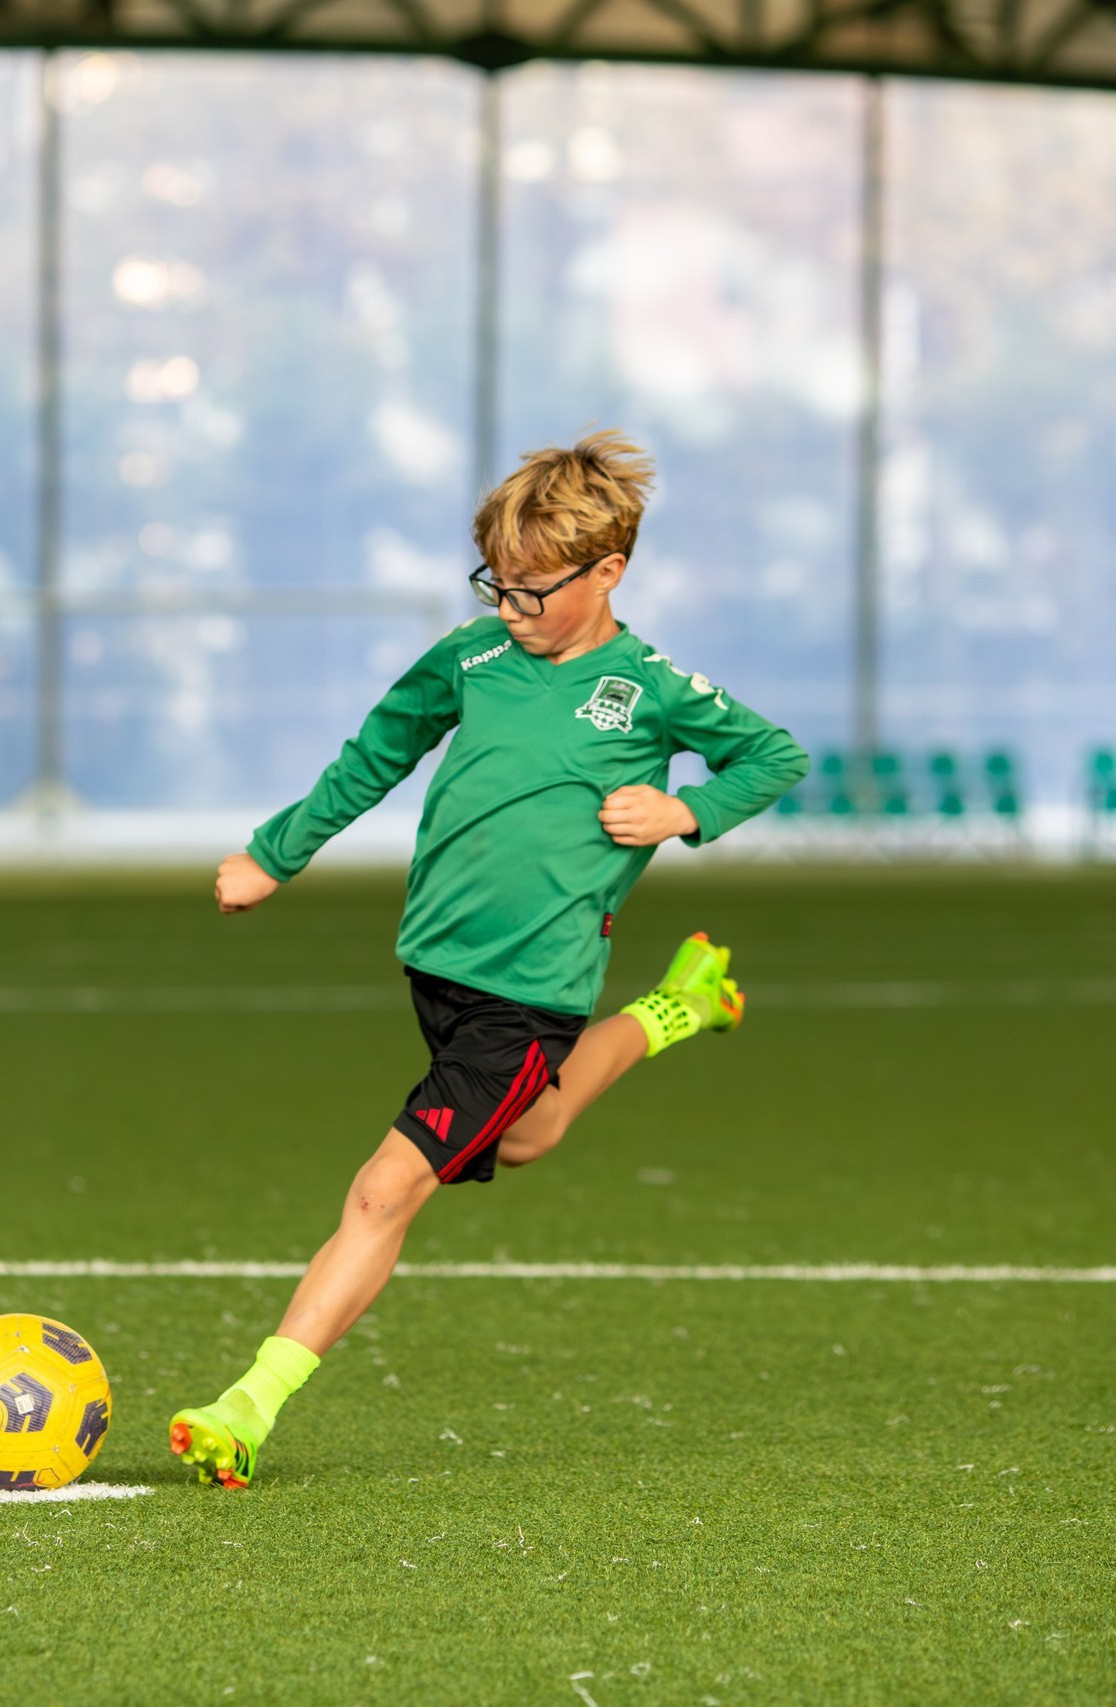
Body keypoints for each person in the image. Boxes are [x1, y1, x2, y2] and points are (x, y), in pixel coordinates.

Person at [169, 430, 811, 1489]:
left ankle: (248, 1405)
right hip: (437, 971)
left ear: (607, 572)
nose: (508, 609)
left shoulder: (648, 688)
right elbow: (375, 752)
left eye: (531, 591)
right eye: (495, 585)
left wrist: (682, 810)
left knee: (383, 1193)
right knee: (529, 1129)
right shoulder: (468, 659)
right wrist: (274, 856)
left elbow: (773, 754)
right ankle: (679, 1010)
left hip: (530, 992)